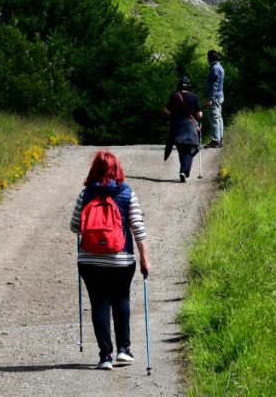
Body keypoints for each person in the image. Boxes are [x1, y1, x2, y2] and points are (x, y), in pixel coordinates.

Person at [70, 151, 150, 370]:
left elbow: (75, 226)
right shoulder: (126, 193)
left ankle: (106, 356)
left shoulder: (85, 194)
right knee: (121, 300)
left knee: (99, 303)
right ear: (117, 169)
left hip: (89, 260)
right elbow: (138, 229)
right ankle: (124, 350)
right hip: (121, 260)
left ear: (94, 169)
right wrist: (145, 260)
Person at [165, 76, 202, 182]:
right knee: (190, 150)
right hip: (190, 127)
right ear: (189, 86)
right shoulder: (194, 97)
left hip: (177, 127)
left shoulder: (174, 96)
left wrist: (176, 113)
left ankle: (183, 171)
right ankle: (185, 172)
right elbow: (200, 115)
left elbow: (167, 111)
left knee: (182, 150)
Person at [204, 50, 225, 148]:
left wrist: (210, 98)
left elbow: (213, 84)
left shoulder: (214, 69)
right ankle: (220, 139)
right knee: (219, 118)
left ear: (210, 58)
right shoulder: (220, 67)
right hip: (220, 95)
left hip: (215, 96)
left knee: (214, 118)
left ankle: (215, 140)